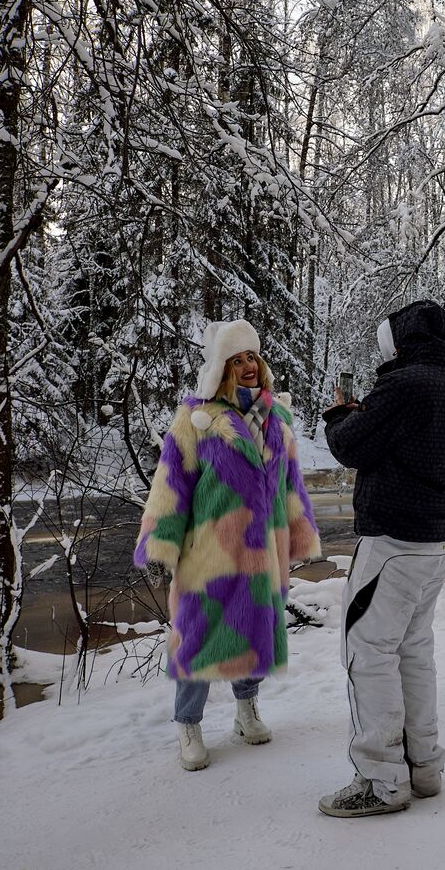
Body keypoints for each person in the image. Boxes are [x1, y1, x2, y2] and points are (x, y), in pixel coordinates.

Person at [134, 319, 321, 771]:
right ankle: (188, 723)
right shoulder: (196, 418)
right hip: (210, 554)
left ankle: (246, 711)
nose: (248, 366)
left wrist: (300, 533)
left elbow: (291, 484)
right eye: (237, 359)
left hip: (264, 550)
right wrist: (160, 542)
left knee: (255, 631)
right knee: (198, 638)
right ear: (222, 368)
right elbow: (170, 482)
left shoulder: (278, 418)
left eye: (252, 357)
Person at [318, 299, 445, 818]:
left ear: (399, 341)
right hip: (437, 540)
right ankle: (423, 767)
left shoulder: (403, 385)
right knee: (412, 650)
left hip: (393, 542)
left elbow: (351, 446)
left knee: (367, 653)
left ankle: (381, 780)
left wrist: (343, 410)